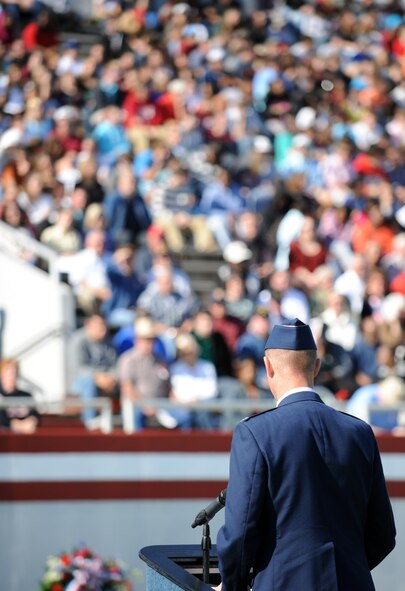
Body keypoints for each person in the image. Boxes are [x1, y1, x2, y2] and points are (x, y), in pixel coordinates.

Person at [216, 318, 396, 591]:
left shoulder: (255, 432)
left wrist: (233, 585)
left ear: (268, 367)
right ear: (317, 367)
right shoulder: (360, 432)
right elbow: (382, 535)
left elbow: (240, 534)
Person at [0, 358, 39, 433]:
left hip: (25, 439)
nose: (12, 376)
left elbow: (35, 415)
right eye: (9, 373)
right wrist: (17, 425)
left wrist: (31, 421)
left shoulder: (26, 396)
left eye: (14, 373)